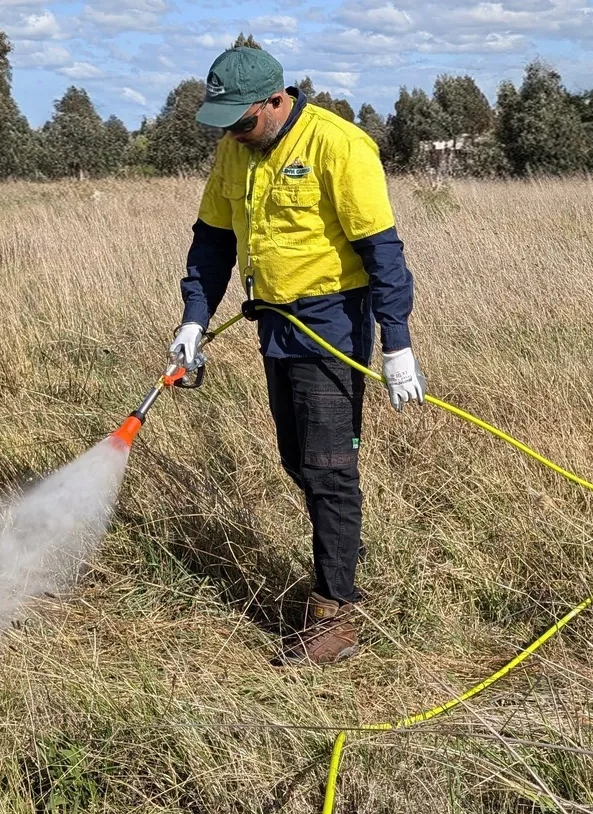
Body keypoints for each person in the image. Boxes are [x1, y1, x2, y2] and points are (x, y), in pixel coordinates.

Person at [170, 46, 426, 666]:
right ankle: (333, 583)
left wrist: (397, 344)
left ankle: (338, 612)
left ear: (276, 99)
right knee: (300, 460)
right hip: (273, 324)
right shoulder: (235, 149)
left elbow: (383, 252)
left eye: (242, 120)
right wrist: (194, 318)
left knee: (330, 467)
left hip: (332, 326)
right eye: (224, 121)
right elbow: (213, 242)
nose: (232, 132)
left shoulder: (339, 146)